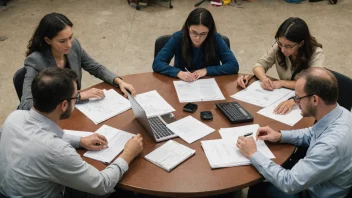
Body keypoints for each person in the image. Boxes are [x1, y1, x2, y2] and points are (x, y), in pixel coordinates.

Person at [0, 68, 143, 197]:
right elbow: (101, 184)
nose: (77, 100)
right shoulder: (57, 151)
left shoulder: (14, 117)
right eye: (76, 97)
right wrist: (128, 154)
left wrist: (80, 140)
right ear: (64, 105)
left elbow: (38, 138)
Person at [236, 67, 352, 198]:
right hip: (321, 179)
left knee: (259, 188)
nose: (296, 102)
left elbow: (289, 183)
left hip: (313, 193)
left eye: (297, 98)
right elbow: (312, 133)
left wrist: (253, 153)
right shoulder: (341, 113)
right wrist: (280, 136)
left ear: (315, 100)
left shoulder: (330, 146)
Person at [19, 12, 136, 110]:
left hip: (70, 110)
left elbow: (95, 67)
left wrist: (119, 81)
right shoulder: (35, 61)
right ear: (48, 40)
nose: (69, 45)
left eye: (70, 37)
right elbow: (26, 105)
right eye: (62, 41)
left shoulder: (74, 46)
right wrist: (77, 96)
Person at [237, 17, 325, 114]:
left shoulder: (316, 54)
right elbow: (259, 65)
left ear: (301, 43)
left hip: (304, 101)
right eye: (280, 43)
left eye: (288, 46)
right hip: (282, 95)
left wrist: (289, 93)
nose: (283, 49)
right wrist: (264, 79)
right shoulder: (280, 46)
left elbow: (312, 85)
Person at [152, 8, 239, 82]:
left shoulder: (215, 39)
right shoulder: (178, 38)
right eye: (193, 32)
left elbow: (233, 65)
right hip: (182, 84)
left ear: (210, 30)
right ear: (188, 27)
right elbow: (157, 63)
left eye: (203, 34)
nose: (197, 38)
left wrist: (206, 71)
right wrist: (178, 73)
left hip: (209, 84)